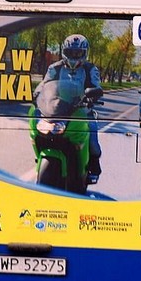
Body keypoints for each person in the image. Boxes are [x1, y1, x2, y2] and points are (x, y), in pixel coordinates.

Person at [33, 34, 103, 183]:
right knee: (39, 130)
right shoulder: (54, 68)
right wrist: (36, 94)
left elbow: (96, 87)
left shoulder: (90, 69)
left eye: (77, 53)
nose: (74, 56)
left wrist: (93, 96)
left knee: (93, 144)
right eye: (70, 52)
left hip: (82, 111)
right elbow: (44, 84)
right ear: (64, 52)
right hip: (56, 109)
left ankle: (93, 168)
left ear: (85, 53)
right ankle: (39, 157)